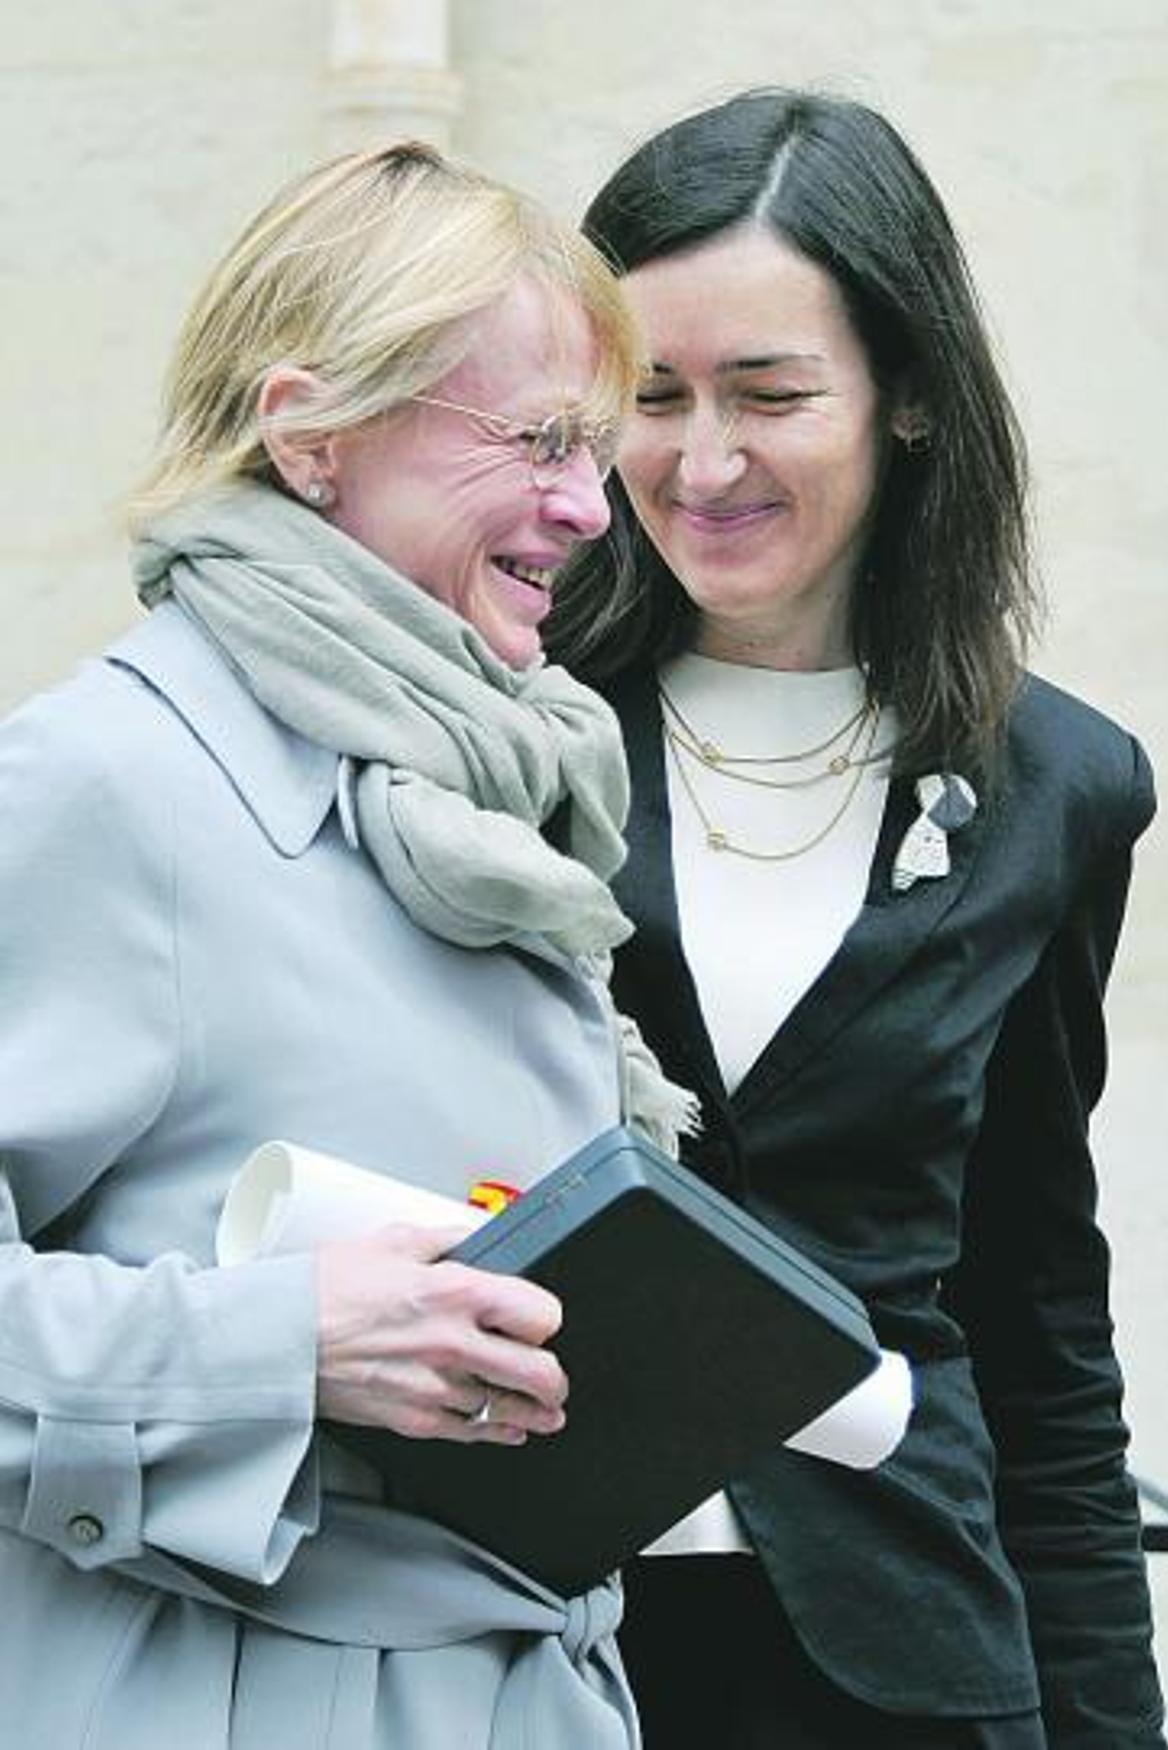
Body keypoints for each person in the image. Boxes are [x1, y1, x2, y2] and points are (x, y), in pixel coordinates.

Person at [0, 138, 701, 1748]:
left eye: (594, 449)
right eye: (539, 439)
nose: (592, 508)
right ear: (311, 436)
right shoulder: (109, 780)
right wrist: (280, 1347)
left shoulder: (492, 789)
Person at [547, 88, 1167, 1748]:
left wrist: (1109, 1723)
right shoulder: (496, 727)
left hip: (904, 1656)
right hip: (529, 1633)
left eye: (771, 393)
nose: (704, 459)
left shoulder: (1060, 783)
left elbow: (1038, 1307)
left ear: (904, 397)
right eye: (652, 396)